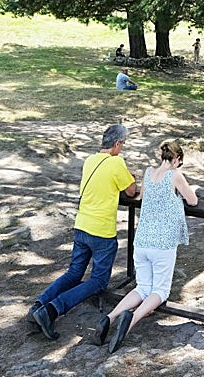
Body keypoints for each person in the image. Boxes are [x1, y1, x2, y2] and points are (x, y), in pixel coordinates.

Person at [29, 124, 139, 340]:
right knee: (98, 281)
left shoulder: (90, 160)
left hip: (82, 225)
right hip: (102, 231)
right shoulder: (117, 162)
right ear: (117, 144)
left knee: (74, 273)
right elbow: (131, 190)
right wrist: (129, 177)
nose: (122, 148)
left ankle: (38, 305)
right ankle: (52, 310)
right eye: (123, 144)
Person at [96, 139, 199, 354]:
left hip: (142, 240)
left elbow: (141, 196)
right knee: (160, 290)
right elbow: (193, 201)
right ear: (177, 160)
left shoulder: (148, 173)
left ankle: (110, 316)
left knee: (142, 287)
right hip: (163, 244)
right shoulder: (175, 175)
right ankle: (130, 321)